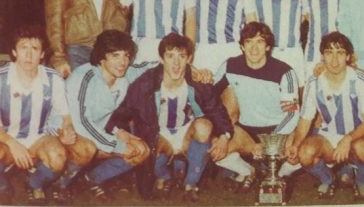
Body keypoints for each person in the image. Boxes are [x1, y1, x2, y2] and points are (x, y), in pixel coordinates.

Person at [105, 33, 233, 202]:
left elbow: (217, 111)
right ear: (161, 59)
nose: (176, 63)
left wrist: (224, 136)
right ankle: (165, 176)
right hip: (159, 134)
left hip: (185, 131)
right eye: (170, 56)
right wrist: (118, 131)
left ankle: (190, 184)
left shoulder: (197, 81)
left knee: (204, 126)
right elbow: (123, 112)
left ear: (189, 59)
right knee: (151, 141)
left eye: (182, 56)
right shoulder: (145, 83)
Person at [58, 30, 151, 202]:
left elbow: (147, 67)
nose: (123, 62)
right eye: (115, 55)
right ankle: (61, 184)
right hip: (65, 134)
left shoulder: (124, 73)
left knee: (142, 150)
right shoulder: (83, 77)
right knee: (86, 149)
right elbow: (81, 124)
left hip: (95, 132)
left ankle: (91, 180)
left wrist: (188, 68)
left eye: (126, 55)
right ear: (102, 56)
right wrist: (119, 146)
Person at [210, 22, 300, 192]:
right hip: (246, 131)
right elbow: (209, 97)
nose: (254, 48)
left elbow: (292, 114)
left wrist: (272, 142)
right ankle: (248, 171)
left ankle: (281, 174)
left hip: (279, 129)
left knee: (301, 153)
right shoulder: (230, 66)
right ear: (242, 46)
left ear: (268, 46)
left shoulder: (284, 72)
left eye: (259, 41)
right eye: (249, 41)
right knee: (216, 151)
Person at [286, 31, 364, 200]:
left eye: (340, 53)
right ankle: (328, 179)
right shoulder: (314, 83)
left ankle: (361, 181)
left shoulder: (361, 80)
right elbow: (305, 120)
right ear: (323, 57)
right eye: (329, 53)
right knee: (304, 153)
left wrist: (348, 139)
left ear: (348, 57)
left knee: (363, 149)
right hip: (328, 138)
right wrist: (295, 144)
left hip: (356, 137)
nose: (334, 60)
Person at [0, 25, 76, 205]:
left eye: (35, 49)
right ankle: (2, 187)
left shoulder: (53, 79)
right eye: (23, 48)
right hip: (7, 139)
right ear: (14, 52)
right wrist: (12, 143)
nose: (29, 55)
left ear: (42, 54)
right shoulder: (1, 78)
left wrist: (67, 130)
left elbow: (66, 116)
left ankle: (34, 183)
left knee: (58, 157)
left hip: (38, 139)